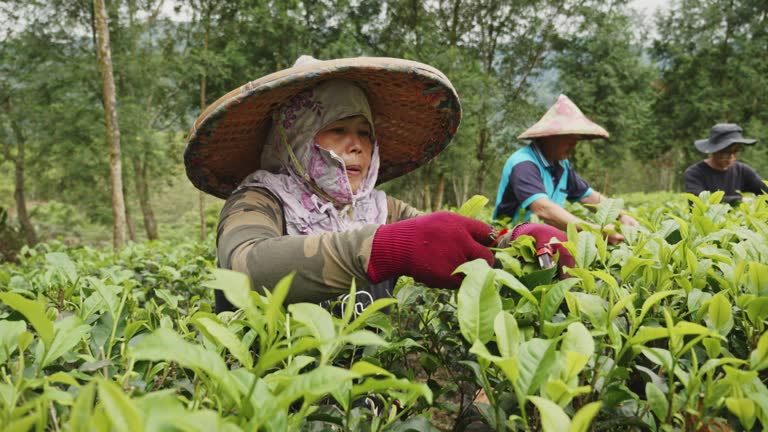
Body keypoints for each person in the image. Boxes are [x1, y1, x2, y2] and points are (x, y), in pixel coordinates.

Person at [184, 56, 573, 313]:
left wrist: (515, 239)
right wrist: (378, 248)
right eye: (336, 130)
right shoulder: (259, 200)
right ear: (296, 139)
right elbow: (244, 266)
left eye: (364, 133)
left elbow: (449, 238)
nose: (356, 146)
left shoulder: (378, 208)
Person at [493, 94, 639, 244]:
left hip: (546, 240)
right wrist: (595, 231)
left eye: (576, 140)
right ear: (550, 137)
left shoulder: (562, 165)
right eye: (569, 139)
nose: (573, 145)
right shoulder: (523, 163)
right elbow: (543, 209)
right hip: (512, 241)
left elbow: (588, 196)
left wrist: (621, 216)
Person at [684, 123, 767, 204]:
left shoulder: (742, 171)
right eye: (726, 152)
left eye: (735, 151)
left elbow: (764, 190)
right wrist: (738, 201)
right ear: (714, 150)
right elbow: (698, 201)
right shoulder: (694, 173)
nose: (731, 156)